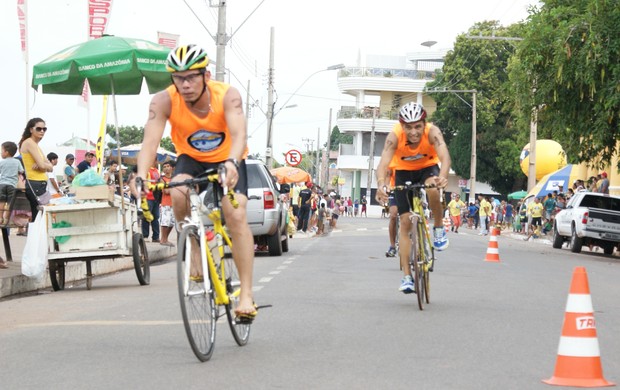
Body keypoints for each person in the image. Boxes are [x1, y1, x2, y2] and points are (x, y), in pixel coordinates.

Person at [136, 44, 256, 319]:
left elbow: (239, 135)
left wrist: (232, 163)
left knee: (235, 215)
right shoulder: (163, 101)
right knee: (177, 192)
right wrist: (141, 175)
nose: (185, 84)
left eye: (191, 76)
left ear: (206, 75)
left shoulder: (227, 95)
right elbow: (150, 141)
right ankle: (194, 248)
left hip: (229, 158)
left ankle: (247, 294)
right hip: (191, 157)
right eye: (178, 78)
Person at [375, 102, 451, 293]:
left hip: (427, 168)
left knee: (433, 188)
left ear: (424, 124)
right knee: (405, 221)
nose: (413, 132)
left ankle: (439, 228)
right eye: (408, 127)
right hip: (402, 172)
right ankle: (407, 277)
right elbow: (383, 164)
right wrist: (381, 184)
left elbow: (445, 156)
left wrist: (443, 176)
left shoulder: (433, 132)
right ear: (402, 126)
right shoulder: (394, 137)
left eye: (417, 126)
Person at [19, 118, 54, 221]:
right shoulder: (29, 143)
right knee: (40, 216)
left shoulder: (36, 145)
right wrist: (43, 165)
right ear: (31, 130)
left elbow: (50, 166)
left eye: (44, 129)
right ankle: (36, 237)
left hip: (40, 184)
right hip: (35, 184)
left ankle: (38, 237)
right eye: (39, 129)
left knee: (40, 216)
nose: (42, 131)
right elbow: (44, 166)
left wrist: (44, 165)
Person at [0, 141, 24, 226]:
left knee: (1, 202)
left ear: (6, 152)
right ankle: (6, 219)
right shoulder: (17, 162)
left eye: (1, 151)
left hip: (2, 184)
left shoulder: (1, 162)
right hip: (12, 185)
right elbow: (21, 171)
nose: (1, 153)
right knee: (10, 203)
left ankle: (0, 218)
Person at [142, 161, 161, 242]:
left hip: (156, 197)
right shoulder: (147, 170)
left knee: (156, 217)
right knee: (146, 217)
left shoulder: (157, 171)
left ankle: (156, 237)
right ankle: (145, 236)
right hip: (148, 197)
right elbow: (145, 183)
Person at [159, 160, 176, 246]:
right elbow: (166, 191)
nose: (166, 168)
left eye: (168, 166)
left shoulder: (175, 178)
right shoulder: (162, 179)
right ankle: (163, 239)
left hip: (174, 203)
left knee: (172, 222)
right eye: (164, 167)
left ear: (172, 168)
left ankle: (166, 239)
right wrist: (175, 187)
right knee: (165, 222)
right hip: (166, 203)